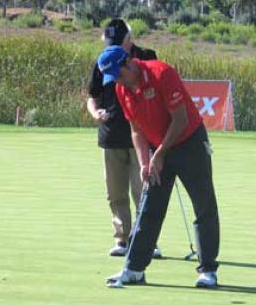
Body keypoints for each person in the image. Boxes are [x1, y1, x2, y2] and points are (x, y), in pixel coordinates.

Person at [99, 46, 220, 288]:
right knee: (149, 206)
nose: (118, 81)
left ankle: (208, 270)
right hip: (157, 148)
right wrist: (145, 161)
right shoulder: (122, 89)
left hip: (190, 143)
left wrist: (160, 154)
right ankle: (134, 269)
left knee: (203, 204)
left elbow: (180, 119)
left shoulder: (162, 73)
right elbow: (136, 130)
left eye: (119, 74)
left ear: (129, 63)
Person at [86, 19, 161, 259]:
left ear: (129, 40)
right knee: (115, 193)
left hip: (142, 136)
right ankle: (122, 238)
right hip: (111, 135)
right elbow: (92, 97)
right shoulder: (103, 61)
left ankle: (147, 241)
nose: (113, 46)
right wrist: (95, 113)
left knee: (143, 192)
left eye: (118, 42)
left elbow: (159, 92)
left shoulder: (148, 56)